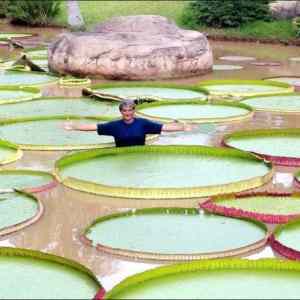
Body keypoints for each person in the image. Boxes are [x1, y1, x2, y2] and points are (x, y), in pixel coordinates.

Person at [64, 99, 195, 147]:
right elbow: (93, 127)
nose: (127, 113)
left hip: (140, 154)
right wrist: (73, 126)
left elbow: (164, 127)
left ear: (134, 111)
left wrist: (183, 128)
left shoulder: (143, 124)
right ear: (121, 112)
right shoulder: (114, 126)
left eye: (130, 110)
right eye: (125, 110)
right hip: (120, 155)